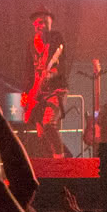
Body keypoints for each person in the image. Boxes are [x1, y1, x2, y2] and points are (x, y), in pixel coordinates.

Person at [23, 9, 68, 158]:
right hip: (38, 92)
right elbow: (28, 70)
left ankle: (59, 159)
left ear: (50, 23)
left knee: (49, 123)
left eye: (44, 22)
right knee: (41, 132)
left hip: (56, 89)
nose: (40, 25)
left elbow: (61, 63)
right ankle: (50, 165)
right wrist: (26, 93)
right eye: (37, 23)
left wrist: (52, 73)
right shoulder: (30, 43)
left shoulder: (56, 38)